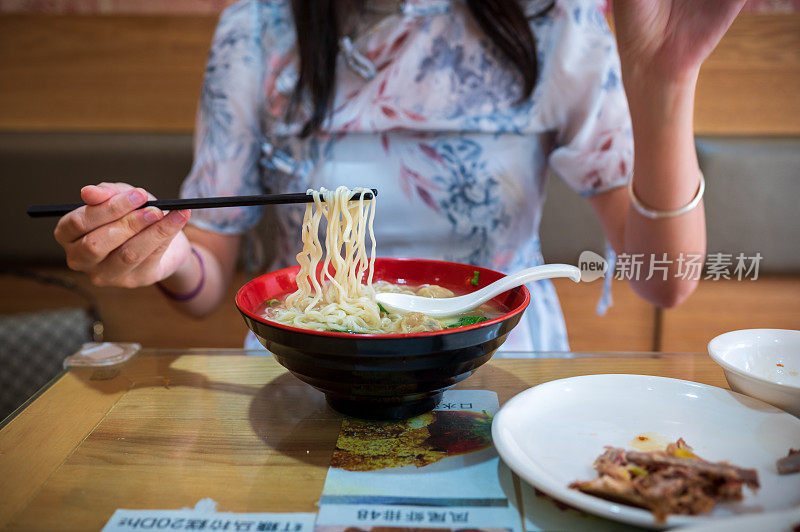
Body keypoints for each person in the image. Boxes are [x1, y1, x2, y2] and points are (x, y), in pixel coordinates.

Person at [53, 0, 746, 352]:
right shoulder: (258, 28)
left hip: (498, 366)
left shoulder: (552, 21)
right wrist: (166, 252)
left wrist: (665, 83)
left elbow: (665, 278)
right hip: (311, 363)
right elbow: (207, 274)